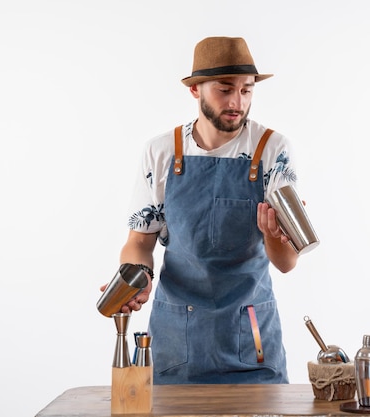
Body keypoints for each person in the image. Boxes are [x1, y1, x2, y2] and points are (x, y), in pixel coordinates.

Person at [111, 37, 302, 384]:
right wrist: (136, 276)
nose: (237, 102)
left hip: (252, 344)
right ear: (196, 90)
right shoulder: (162, 152)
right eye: (225, 89)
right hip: (175, 345)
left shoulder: (272, 149)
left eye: (246, 90)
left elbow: (287, 263)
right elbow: (140, 242)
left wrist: (274, 234)